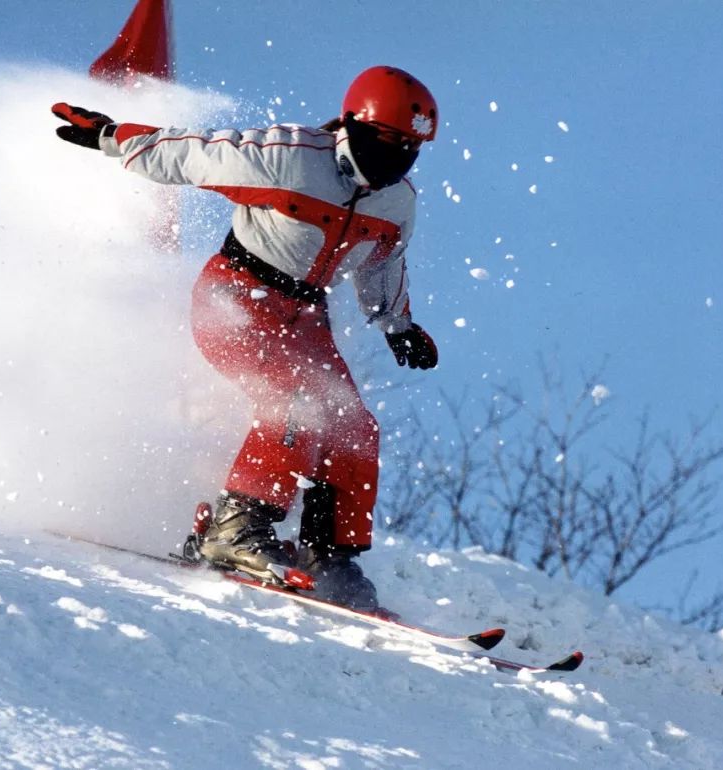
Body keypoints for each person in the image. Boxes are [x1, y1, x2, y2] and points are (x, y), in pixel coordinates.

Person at [52, 66, 439, 609]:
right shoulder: (292, 157)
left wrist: (397, 325)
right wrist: (111, 135)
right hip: (237, 298)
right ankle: (235, 529)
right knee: (296, 402)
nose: (397, 158)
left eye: (410, 148)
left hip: (305, 317)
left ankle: (329, 556)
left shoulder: (397, 203)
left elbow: (383, 265)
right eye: (386, 141)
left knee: (354, 426)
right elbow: (195, 154)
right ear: (353, 124)